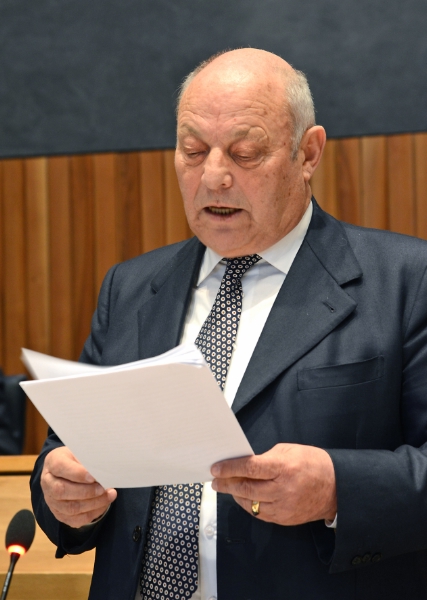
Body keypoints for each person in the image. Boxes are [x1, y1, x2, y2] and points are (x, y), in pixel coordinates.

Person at [30, 48, 427, 600]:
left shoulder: (407, 280)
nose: (213, 176)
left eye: (245, 153)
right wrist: (61, 491)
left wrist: (339, 489)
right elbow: (69, 450)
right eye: (193, 151)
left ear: (308, 153)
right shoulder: (129, 287)